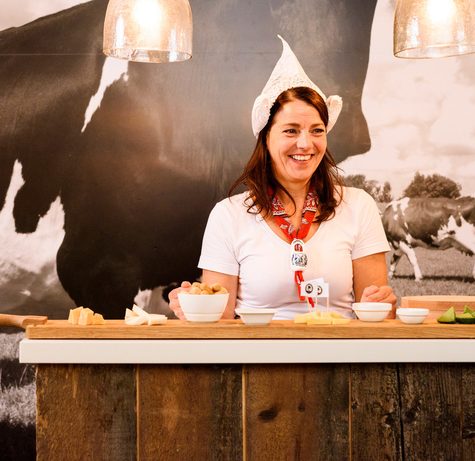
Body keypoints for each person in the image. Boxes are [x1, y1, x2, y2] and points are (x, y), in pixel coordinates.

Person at [169, 36, 396, 321]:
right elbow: (220, 322)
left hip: (338, 358)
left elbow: (378, 317)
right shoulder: (228, 216)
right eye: (291, 130)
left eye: (317, 130)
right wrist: (195, 306)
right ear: (265, 138)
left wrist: (382, 306)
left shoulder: (359, 207)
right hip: (256, 361)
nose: (305, 144)